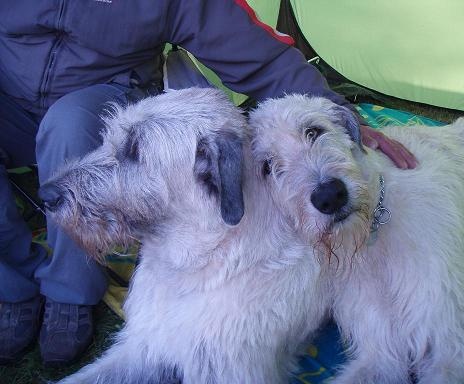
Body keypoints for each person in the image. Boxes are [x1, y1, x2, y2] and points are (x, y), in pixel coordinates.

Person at [0, 0, 416, 366]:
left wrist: (341, 114)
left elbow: (259, 56)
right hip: (10, 93)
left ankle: (68, 293)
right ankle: (13, 287)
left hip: (98, 103)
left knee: (67, 125)